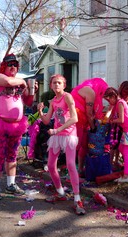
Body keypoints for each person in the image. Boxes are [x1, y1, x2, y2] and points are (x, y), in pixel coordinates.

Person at [0, 53, 35, 200]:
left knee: (12, 156)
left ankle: (11, 184)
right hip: (0, 124)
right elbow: (7, 82)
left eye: (15, 64)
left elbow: (28, 101)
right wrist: (24, 82)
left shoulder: (19, 82)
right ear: (4, 66)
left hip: (17, 126)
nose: (13, 67)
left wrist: (31, 90)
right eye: (10, 64)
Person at [37, 74, 85, 215]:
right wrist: (40, 111)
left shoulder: (67, 97)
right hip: (57, 135)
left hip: (68, 134)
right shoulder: (53, 101)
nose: (56, 85)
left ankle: (77, 199)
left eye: (59, 82)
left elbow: (74, 118)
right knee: (51, 165)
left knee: (70, 164)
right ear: (51, 85)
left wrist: (57, 129)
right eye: (54, 83)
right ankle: (60, 192)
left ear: (64, 85)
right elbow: (46, 121)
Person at [71, 78, 108, 178]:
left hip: (77, 120)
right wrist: (93, 128)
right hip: (79, 120)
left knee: (82, 145)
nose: (103, 96)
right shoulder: (91, 92)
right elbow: (89, 113)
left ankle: (79, 169)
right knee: (78, 145)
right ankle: (76, 171)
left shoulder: (85, 88)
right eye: (103, 93)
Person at [103, 87, 128, 183]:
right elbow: (112, 114)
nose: (108, 101)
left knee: (126, 153)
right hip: (127, 130)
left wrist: (111, 121)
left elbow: (121, 120)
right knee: (120, 148)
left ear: (113, 96)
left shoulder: (120, 103)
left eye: (109, 99)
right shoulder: (116, 103)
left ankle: (126, 176)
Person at [109, 81, 128, 170]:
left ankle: (126, 173)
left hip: (127, 128)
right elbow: (111, 110)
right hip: (122, 126)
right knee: (117, 146)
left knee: (124, 150)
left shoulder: (122, 101)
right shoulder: (119, 100)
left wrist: (111, 120)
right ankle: (113, 164)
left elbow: (123, 118)